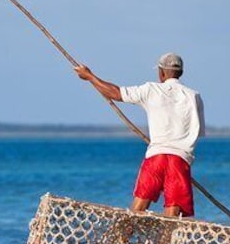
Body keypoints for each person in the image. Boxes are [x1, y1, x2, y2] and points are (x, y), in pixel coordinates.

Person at [74, 52, 205, 217]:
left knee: (137, 209)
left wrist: (89, 76)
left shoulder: (151, 89)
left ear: (161, 72)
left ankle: (121, 241)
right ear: (181, 73)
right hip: (180, 159)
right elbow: (196, 132)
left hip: (156, 156)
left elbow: (116, 93)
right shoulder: (194, 96)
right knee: (173, 214)